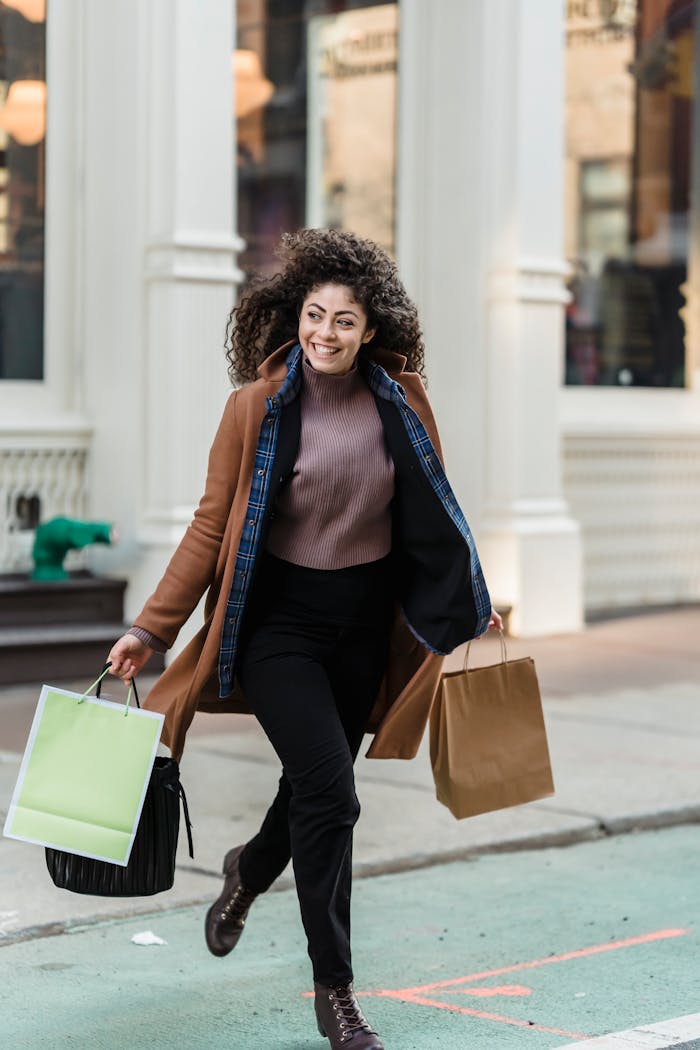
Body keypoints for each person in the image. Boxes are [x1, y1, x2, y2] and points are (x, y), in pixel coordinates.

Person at [107, 228, 502, 1050]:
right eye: (315, 316)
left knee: (312, 790)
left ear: (372, 329)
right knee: (334, 794)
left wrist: (473, 596)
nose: (327, 333)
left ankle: (247, 871)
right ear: (295, 319)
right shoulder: (254, 406)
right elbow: (211, 525)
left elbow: (434, 509)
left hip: (362, 627)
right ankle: (337, 992)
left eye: (345, 321)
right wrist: (152, 627)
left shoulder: (402, 397)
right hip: (275, 622)